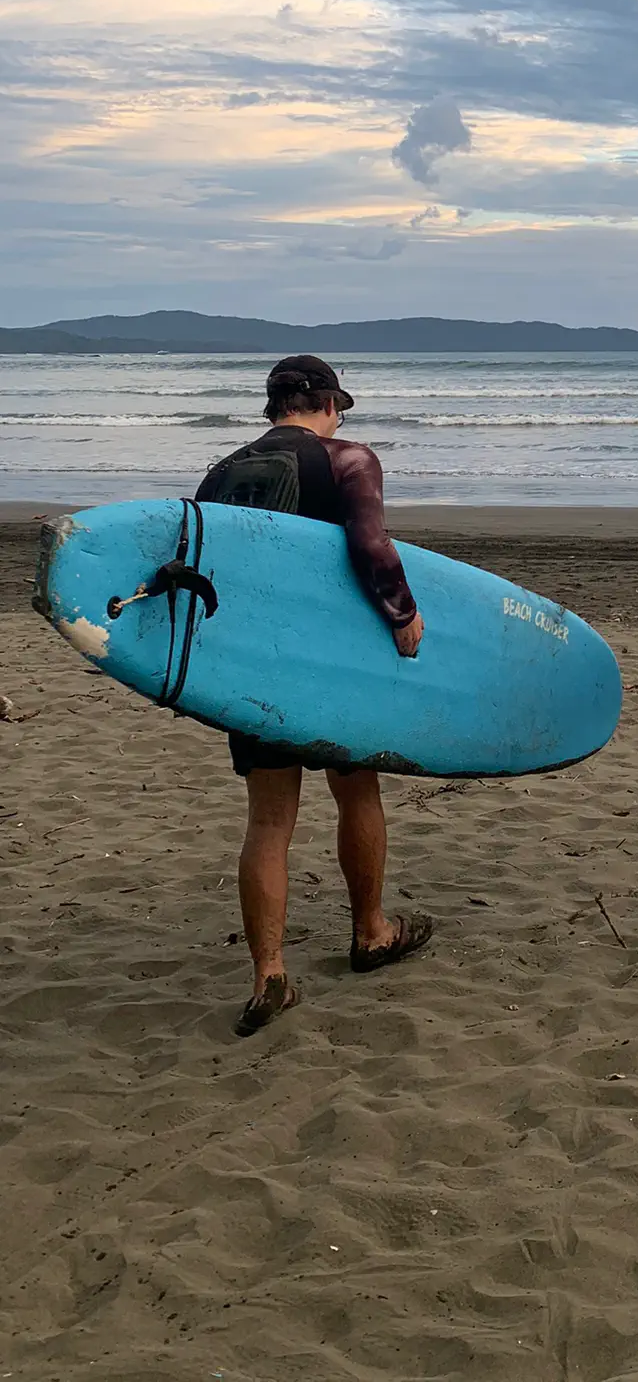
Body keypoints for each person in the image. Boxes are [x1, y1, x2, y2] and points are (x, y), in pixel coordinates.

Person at [196, 356, 433, 1036]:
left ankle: (269, 975)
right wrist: (402, 613)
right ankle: (370, 933)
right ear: (328, 403)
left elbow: (207, 569)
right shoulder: (347, 458)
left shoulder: (222, 472)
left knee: (268, 821)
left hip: (254, 672)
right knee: (357, 791)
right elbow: (370, 543)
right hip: (334, 667)